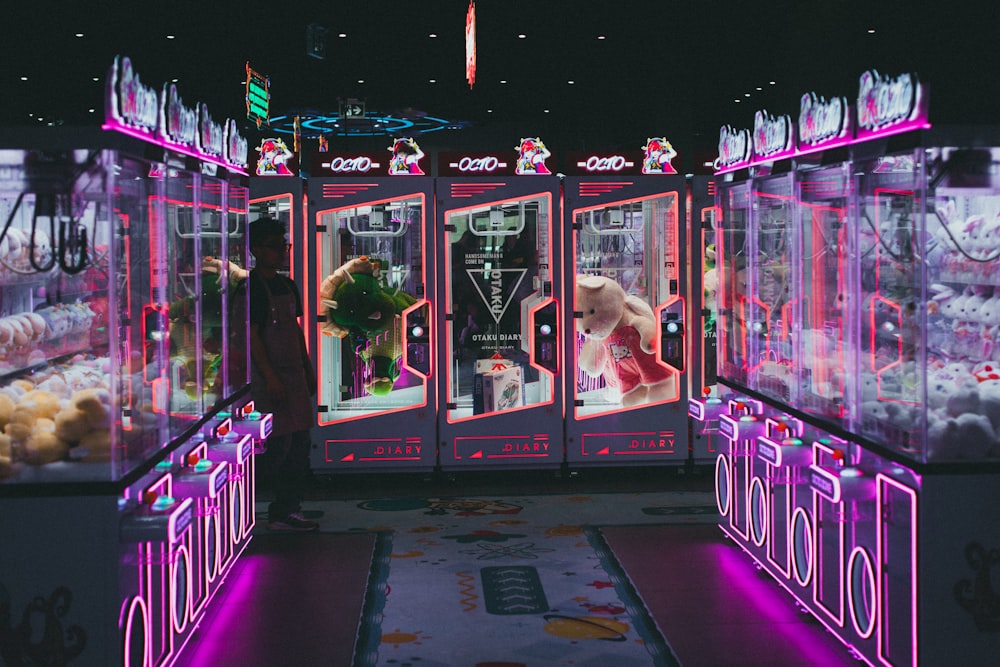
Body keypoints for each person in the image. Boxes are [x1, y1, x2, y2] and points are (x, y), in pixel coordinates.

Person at [234, 217, 319, 532]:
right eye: (274, 247)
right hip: (267, 378)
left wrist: (307, 368)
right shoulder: (250, 287)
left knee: (299, 446)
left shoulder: (287, 284)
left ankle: (288, 509)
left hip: (293, 375)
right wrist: (269, 377)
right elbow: (252, 337)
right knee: (276, 448)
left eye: (284, 246)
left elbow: (296, 331)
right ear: (256, 250)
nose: (281, 252)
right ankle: (248, 507)